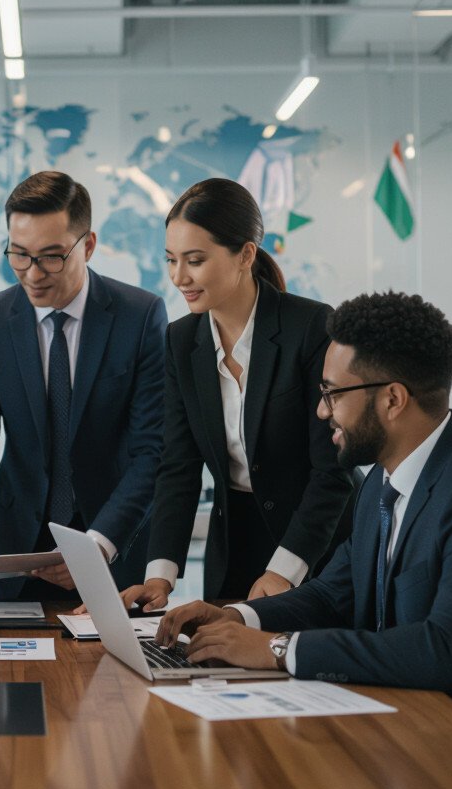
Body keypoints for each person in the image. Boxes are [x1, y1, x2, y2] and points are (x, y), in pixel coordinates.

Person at [156, 291, 452, 735]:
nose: (322, 410)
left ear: (393, 400)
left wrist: (277, 649)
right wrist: (239, 618)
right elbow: (331, 595)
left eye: (332, 393)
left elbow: (447, 652)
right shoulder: (381, 480)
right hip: (413, 726)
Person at [120, 178, 354, 611]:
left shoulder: (310, 328)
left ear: (245, 254)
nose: (178, 277)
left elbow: (333, 470)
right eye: (171, 260)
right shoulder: (181, 340)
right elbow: (179, 466)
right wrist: (160, 575)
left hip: (315, 547)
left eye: (194, 260)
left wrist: (283, 568)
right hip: (234, 546)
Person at [0, 170, 166, 601]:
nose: (32, 274)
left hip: (112, 544)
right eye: (19, 254)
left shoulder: (139, 317)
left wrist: (99, 544)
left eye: (51, 256)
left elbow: (153, 450)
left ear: (87, 244)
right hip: (16, 548)